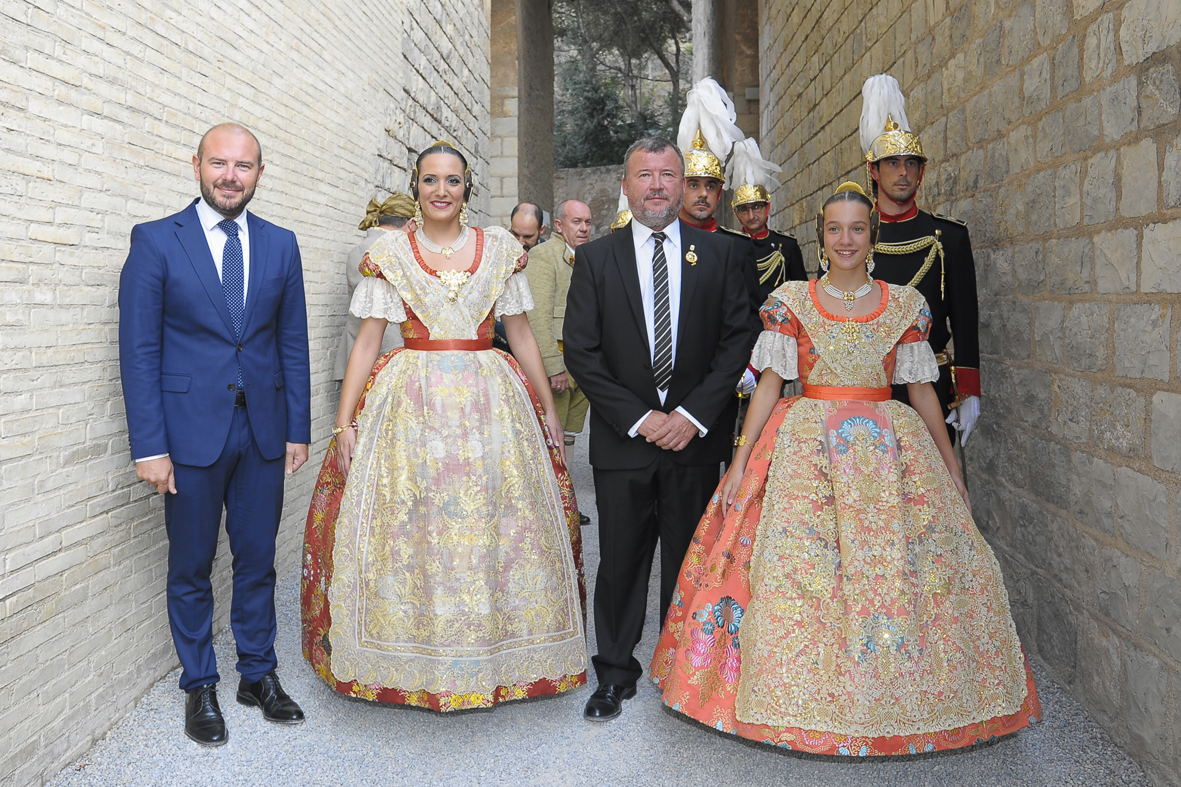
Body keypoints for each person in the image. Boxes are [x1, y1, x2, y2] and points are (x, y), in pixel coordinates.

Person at [650, 182, 1040, 754]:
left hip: (890, 451)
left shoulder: (906, 304)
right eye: (835, 229)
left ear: (872, 236)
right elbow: (768, 386)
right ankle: (795, 699)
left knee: (900, 572)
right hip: (805, 450)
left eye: (857, 228)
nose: (846, 239)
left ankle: (901, 699)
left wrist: (951, 466)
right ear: (822, 237)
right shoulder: (792, 300)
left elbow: (921, 391)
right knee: (800, 570)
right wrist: (739, 461)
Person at [301, 141, 587, 711]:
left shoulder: (500, 248)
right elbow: (365, 345)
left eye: (452, 180)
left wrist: (549, 409)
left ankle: (494, 652)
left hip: (491, 404)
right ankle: (415, 653)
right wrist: (343, 422)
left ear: (466, 188)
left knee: (493, 519)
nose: (441, 190)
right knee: (415, 522)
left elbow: (521, 334)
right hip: (410, 405)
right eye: (430, 179)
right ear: (416, 186)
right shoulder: (390, 252)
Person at [118, 123, 311, 747]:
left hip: (263, 433)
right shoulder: (155, 240)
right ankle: (199, 683)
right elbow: (138, 352)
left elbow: (292, 343)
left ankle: (257, 674)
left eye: (243, 166)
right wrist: (150, 446)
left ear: (260, 173)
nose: (230, 176)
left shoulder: (281, 244)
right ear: (197, 165)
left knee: (257, 560)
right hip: (187, 437)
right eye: (219, 163)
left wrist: (298, 428)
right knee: (192, 564)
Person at [563, 136, 754, 722]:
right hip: (624, 442)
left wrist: (691, 417)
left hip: (694, 442)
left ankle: (684, 675)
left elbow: (737, 341)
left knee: (690, 559)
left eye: (667, 175)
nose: (656, 186)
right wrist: (641, 418)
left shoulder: (721, 254)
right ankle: (614, 674)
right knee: (620, 560)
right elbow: (582, 351)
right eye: (644, 175)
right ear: (625, 186)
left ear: (684, 185)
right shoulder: (597, 259)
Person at [859, 74, 981, 444]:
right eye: (892, 163)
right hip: (867, 388)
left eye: (911, 163)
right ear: (874, 170)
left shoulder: (949, 237)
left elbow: (965, 320)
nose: (903, 172)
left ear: (922, 171)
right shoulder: (852, 238)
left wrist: (969, 390)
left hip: (932, 383)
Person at [523, 199, 593, 525]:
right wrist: (553, 366)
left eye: (588, 222)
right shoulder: (543, 256)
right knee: (551, 435)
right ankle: (550, 509)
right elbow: (536, 318)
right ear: (559, 226)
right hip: (560, 361)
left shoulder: (587, 256)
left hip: (582, 362)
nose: (584, 228)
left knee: (569, 434)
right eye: (576, 222)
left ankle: (565, 502)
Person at [333, 194, 411, 381]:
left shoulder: (360, 250)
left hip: (359, 357)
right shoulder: (388, 252)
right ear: (411, 224)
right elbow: (382, 315)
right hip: (382, 360)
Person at [726, 137, 809, 302]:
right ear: (736, 213)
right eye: (744, 209)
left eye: (756, 207)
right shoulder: (730, 246)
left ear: (767, 207)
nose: (751, 215)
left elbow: (801, 293)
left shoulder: (786, 245)